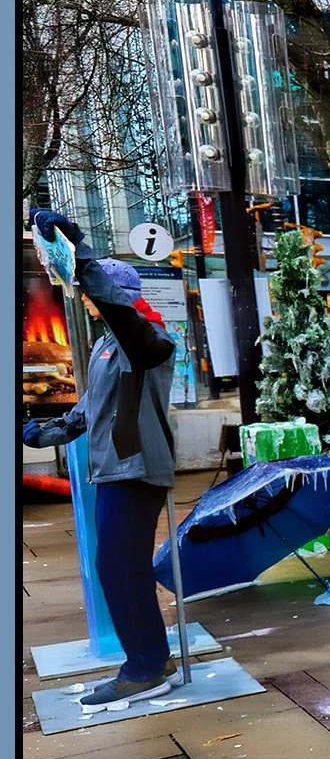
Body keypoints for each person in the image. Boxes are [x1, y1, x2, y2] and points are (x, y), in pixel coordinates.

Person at [24, 209, 180, 710]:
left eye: (92, 294)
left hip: (137, 468)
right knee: (120, 566)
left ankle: (144, 668)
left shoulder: (149, 340)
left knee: (117, 567)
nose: (87, 303)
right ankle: (152, 658)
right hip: (114, 467)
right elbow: (90, 410)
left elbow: (119, 311)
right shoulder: (109, 347)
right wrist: (41, 434)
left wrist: (80, 250)